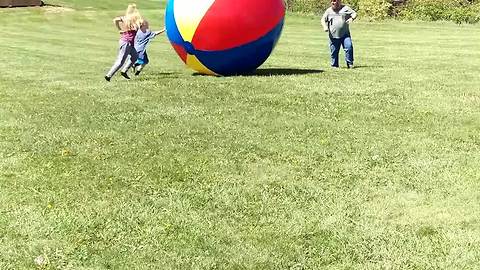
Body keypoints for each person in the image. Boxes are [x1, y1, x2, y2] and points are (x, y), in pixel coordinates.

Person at [105, 4, 144, 81]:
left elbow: (115, 20)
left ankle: (124, 71)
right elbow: (116, 20)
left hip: (129, 43)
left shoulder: (127, 19)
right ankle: (108, 76)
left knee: (135, 56)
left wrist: (120, 28)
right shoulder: (130, 20)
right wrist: (120, 29)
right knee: (120, 61)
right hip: (126, 42)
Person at [321, 0, 357, 68]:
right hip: (333, 36)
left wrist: (352, 18)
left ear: (340, 1)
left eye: (335, 1)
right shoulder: (328, 11)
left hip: (345, 35)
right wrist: (325, 26)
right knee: (334, 52)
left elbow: (354, 13)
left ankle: (350, 64)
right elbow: (323, 19)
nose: (333, 3)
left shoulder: (346, 8)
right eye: (332, 1)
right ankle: (334, 65)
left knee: (349, 47)